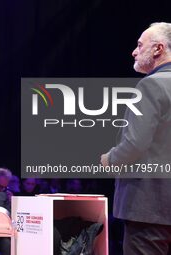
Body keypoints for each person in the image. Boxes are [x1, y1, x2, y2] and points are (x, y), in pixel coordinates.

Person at [101, 22, 171, 255]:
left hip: (149, 207)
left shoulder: (151, 85)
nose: (134, 51)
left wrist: (110, 158)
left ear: (158, 49)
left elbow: (135, 144)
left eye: (140, 45)